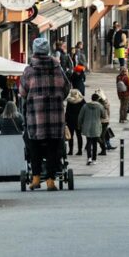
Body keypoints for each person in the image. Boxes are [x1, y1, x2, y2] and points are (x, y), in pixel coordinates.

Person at [18, 37, 72, 191]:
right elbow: (66, 88)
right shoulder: (57, 68)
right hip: (55, 117)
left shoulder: (29, 70)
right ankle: (50, 180)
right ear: (48, 50)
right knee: (53, 148)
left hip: (35, 117)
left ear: (34, 51)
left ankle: (35, 179)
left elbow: (22, 91)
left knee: (34, 147)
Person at [78, 93, 106, 165]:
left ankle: (89, 158)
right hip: (96, 126)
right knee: (94, 143)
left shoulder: (85, 106)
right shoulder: (100, 106)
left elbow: (80, 117)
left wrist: (79, 125)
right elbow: (104, 116)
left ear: (91, 98)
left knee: (89, 142)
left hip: (87, 126)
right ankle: (94, 159)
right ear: (97, 99)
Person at [65, 89, 85, 155]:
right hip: (79, 121)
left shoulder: (70, 101)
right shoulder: (82, 101)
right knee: (79, 136)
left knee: (71, 136)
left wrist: (65, 121)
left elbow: (67, 112)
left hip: (70, 121)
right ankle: (80, 150)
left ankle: (70, 151)